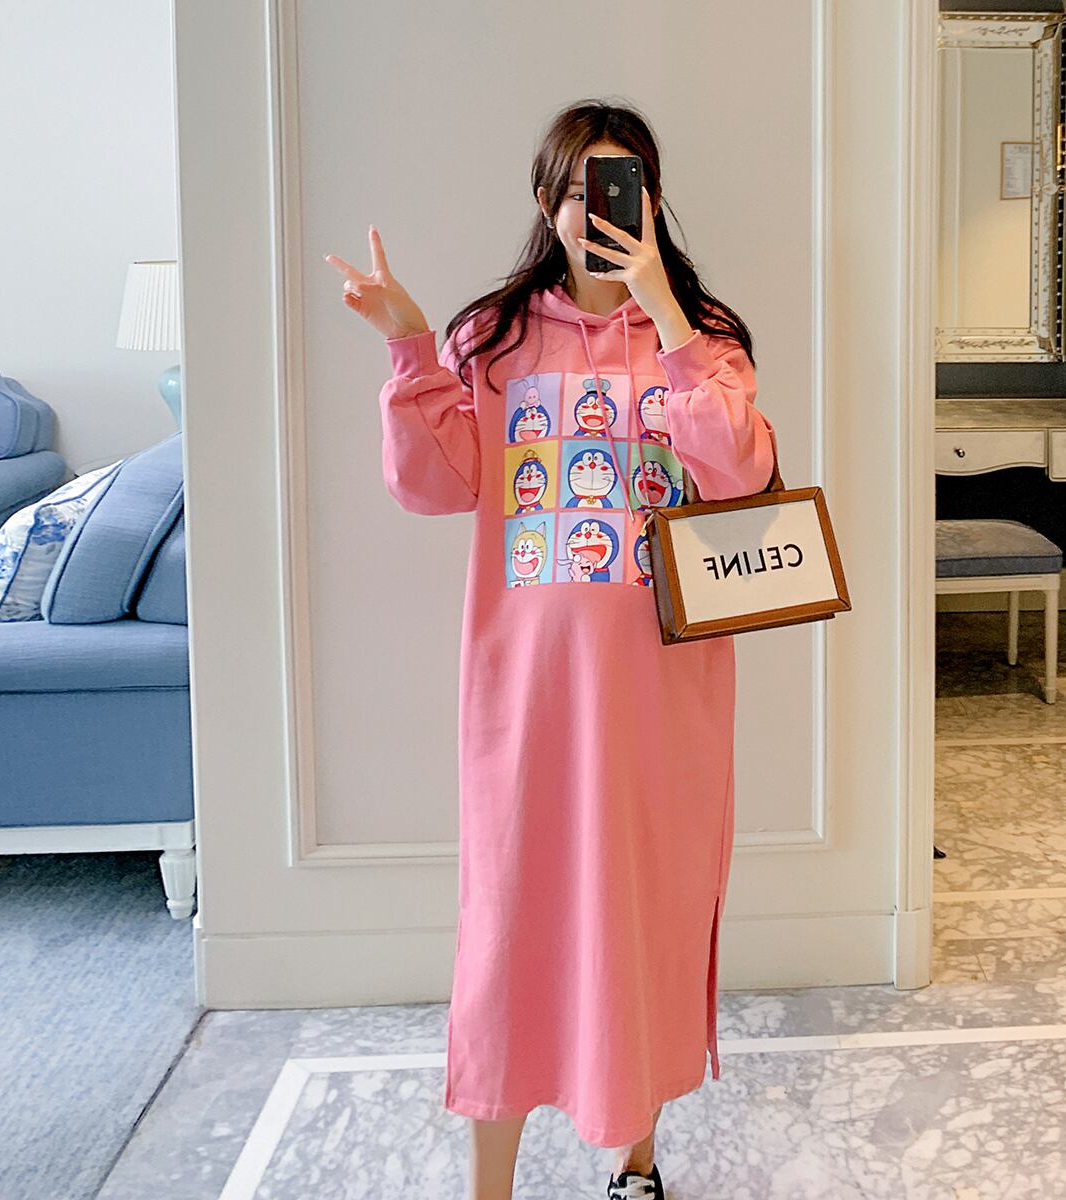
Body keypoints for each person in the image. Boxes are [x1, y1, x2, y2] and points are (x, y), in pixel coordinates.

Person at [325, 98, 777, 1200]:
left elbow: (739, 474)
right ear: (547, 202)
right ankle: (491, 1187)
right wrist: (408, 342)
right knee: (511, 933)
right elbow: (436, 485)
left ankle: (637, 1162)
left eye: (623, 189)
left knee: (645, 920)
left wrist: (666, 314)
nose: (599, 211)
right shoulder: (494, 337)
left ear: (653, 202)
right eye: (579, 191)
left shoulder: (704, 334)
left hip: (663, 697)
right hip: (526, 699)